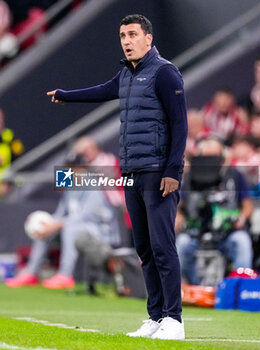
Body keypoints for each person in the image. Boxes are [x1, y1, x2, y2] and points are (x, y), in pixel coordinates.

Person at [47, 14, 188, 340]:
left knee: (163, 246)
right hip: (132, 174)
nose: (126, 40)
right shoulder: (126, 74)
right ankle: (155, 317)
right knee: (144, 249)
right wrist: (66, 95)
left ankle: (175, 320)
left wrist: (173, 171)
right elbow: (100, 91)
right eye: (123, 35)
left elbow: (180, 125)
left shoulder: (165, 73)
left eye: (133, 34)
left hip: (157, 173)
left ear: (148, 39)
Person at [5, 137, 122, 289]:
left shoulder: (93, 185)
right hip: (78, 228)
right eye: (69, 168)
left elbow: (83, 216)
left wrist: (56, 225)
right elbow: (61, 213)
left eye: (74, 168)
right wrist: (48, 225)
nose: (70, 171)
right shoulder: (70, 186)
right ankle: (31, 273)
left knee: (70, 226)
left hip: (99, 231)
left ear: (83, 168)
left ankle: (65, 275)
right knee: (47, 225)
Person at [176, 136, 254, 285]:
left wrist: (241, 218)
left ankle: (242, 287)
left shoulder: (235, 176)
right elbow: (179, 207)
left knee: (242, 241)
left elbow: (247, 205)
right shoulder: (189, 177)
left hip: (227, 232)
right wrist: (178, 218)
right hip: (196, 231)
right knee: (182, 243)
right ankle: (191, 286)